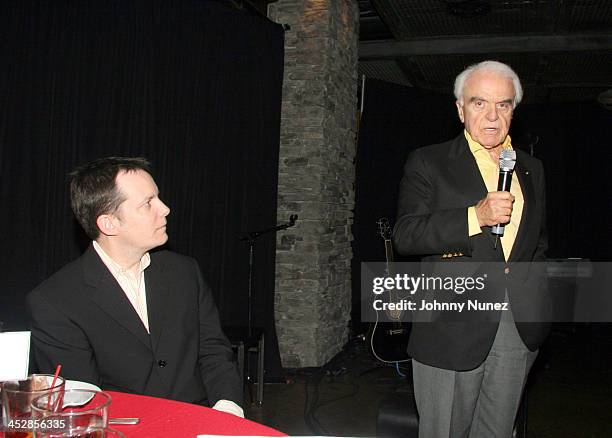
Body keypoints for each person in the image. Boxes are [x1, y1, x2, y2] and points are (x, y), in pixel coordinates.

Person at [393, 61, 548, 437]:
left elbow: (538, 244)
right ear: (460, 109)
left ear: (514, 109)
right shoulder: (429, 161)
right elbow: (406, 235)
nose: (492, 116)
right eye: (480, 103)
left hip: (518, 330)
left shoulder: (531, 168)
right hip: (450, 328)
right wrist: (474, 216)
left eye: (504, 104)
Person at [27, 157, 243, 416]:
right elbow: (83, 403)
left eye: (158, 198)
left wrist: (228, 409)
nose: (165, 209)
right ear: (109, 223)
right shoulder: (55, 301)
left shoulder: (185, 271)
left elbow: (214, 351)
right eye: (147, 203)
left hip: (199, 422)